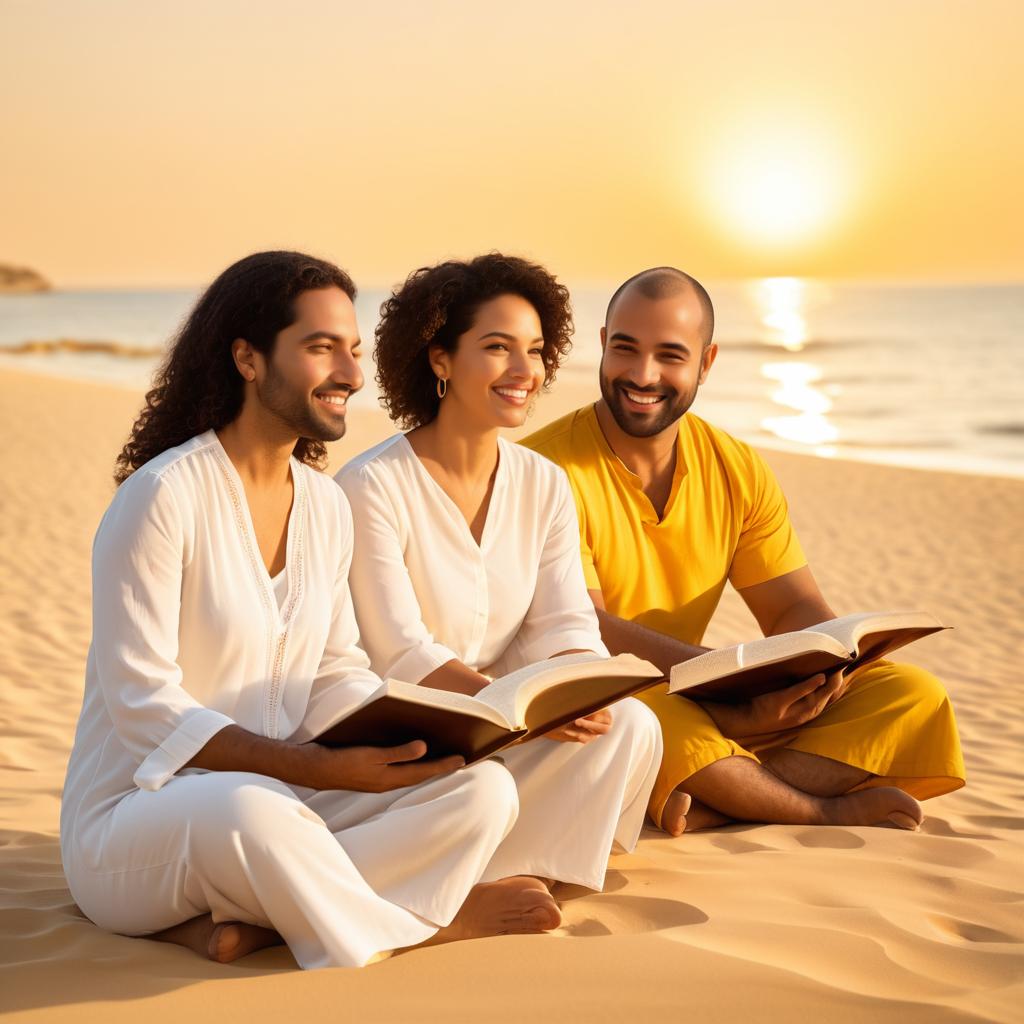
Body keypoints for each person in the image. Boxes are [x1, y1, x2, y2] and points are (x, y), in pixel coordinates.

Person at [60, 251, 566, 972]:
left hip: (283, 798)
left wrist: (403, 736)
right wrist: (315, 767)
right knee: (246, 811)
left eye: (354, 351)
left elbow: (335, 669)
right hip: (136, 822)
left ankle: (266, 921)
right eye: (321, 348)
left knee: (479, 791)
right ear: (248, 358)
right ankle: (420, 926)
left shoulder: (325, 506)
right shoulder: (162, 496)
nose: (352, 375)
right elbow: (144, 708)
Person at [522, 266, 965, 837]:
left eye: (670, 355)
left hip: (707, 692)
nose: (642, 374)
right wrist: (718, 693)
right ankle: (812, 808)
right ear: (604, 345)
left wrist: (823, 670)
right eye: (626, 349)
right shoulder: (543, 470)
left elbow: (790, 609)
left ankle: (720, 799)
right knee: (636, 714)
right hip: (611, 696)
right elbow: (587, 627)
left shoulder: (736, 467)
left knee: (912, 694)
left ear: (706, 363)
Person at [337, 253, 665, 892]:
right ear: (439, 360)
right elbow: (400, 651)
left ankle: (519, 869)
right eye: (497, 348)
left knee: (629, 723)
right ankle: (468, 875)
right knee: (481, 784)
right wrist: (517, 711)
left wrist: (573, 690)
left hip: (505, 726)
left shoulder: (543, 483)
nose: (525, 372)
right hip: (406, 740)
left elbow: (566, 624)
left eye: (537, 351)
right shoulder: (370, 486)